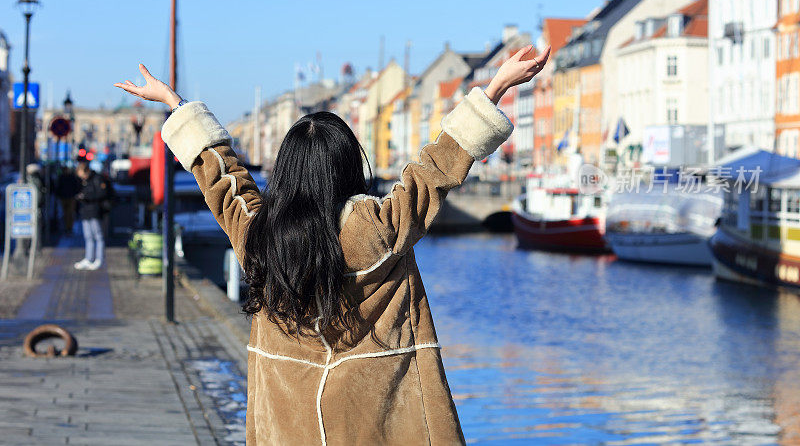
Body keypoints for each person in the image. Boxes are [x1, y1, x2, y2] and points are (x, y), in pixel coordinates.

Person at [114, 44, 550, 445]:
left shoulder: (260, 238)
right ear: (347, 167)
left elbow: (223, 178)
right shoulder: (381, 231)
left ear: (285, 173)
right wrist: (494, 88)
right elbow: (435, 170)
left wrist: (176, 105)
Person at [73, 160, 110, 270]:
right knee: (88, 236)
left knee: (98, 235)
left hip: (95, 211)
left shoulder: (97, 179)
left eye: (83, 175)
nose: (82, 178)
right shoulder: (83, 182)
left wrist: (87, 196)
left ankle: (99, 259)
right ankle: (88, 258)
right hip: (85, 212)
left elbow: (102, 193)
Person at [55, 167, 81, 235]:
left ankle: (68, 227)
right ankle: (68, 227)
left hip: (68, 197)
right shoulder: (68, 177)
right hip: (66, 197)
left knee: (69, 213)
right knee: (67, 213)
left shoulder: (65, 177)